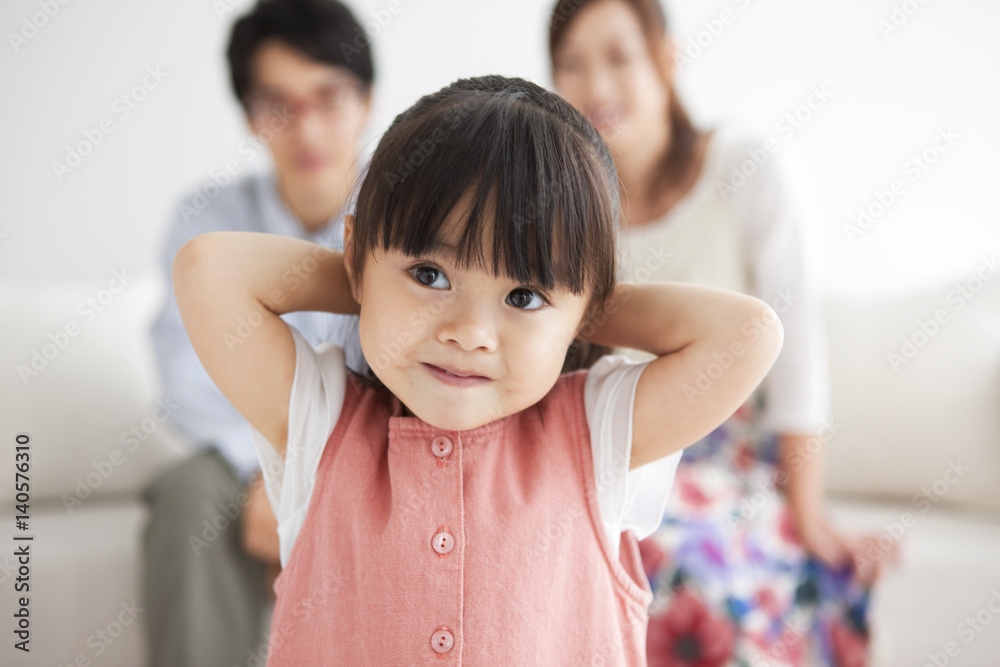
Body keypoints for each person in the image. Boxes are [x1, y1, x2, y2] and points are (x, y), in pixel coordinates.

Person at [170, 74, 783, 665]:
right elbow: (208, 271)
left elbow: (749, 335)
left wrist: (578, 309)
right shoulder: (321, 423)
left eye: (523, 296)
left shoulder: (597, 433)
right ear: (357, 255)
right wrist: (366, 281)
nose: (469, 333)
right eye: (429, 274)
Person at [549, 1, 898, 665]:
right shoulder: (557, 206)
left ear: (665, 59)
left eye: (619, 56)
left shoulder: (744, 168)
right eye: (572, 64)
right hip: (609, 448)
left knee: (675, 562)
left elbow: (796, 348)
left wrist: (807, 510)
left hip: (726, 459)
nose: (597, 86)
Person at [144, 1, 373, 664]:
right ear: (250, 115)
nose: (308, 128)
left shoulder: (417, 213)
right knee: (190, 495)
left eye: (328, 98)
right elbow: (186, 378)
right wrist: (263, 475)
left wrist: (321, 476)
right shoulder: (204, 219)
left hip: (371, 449)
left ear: (365, 101)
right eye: (280, 105)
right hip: (245, 458)